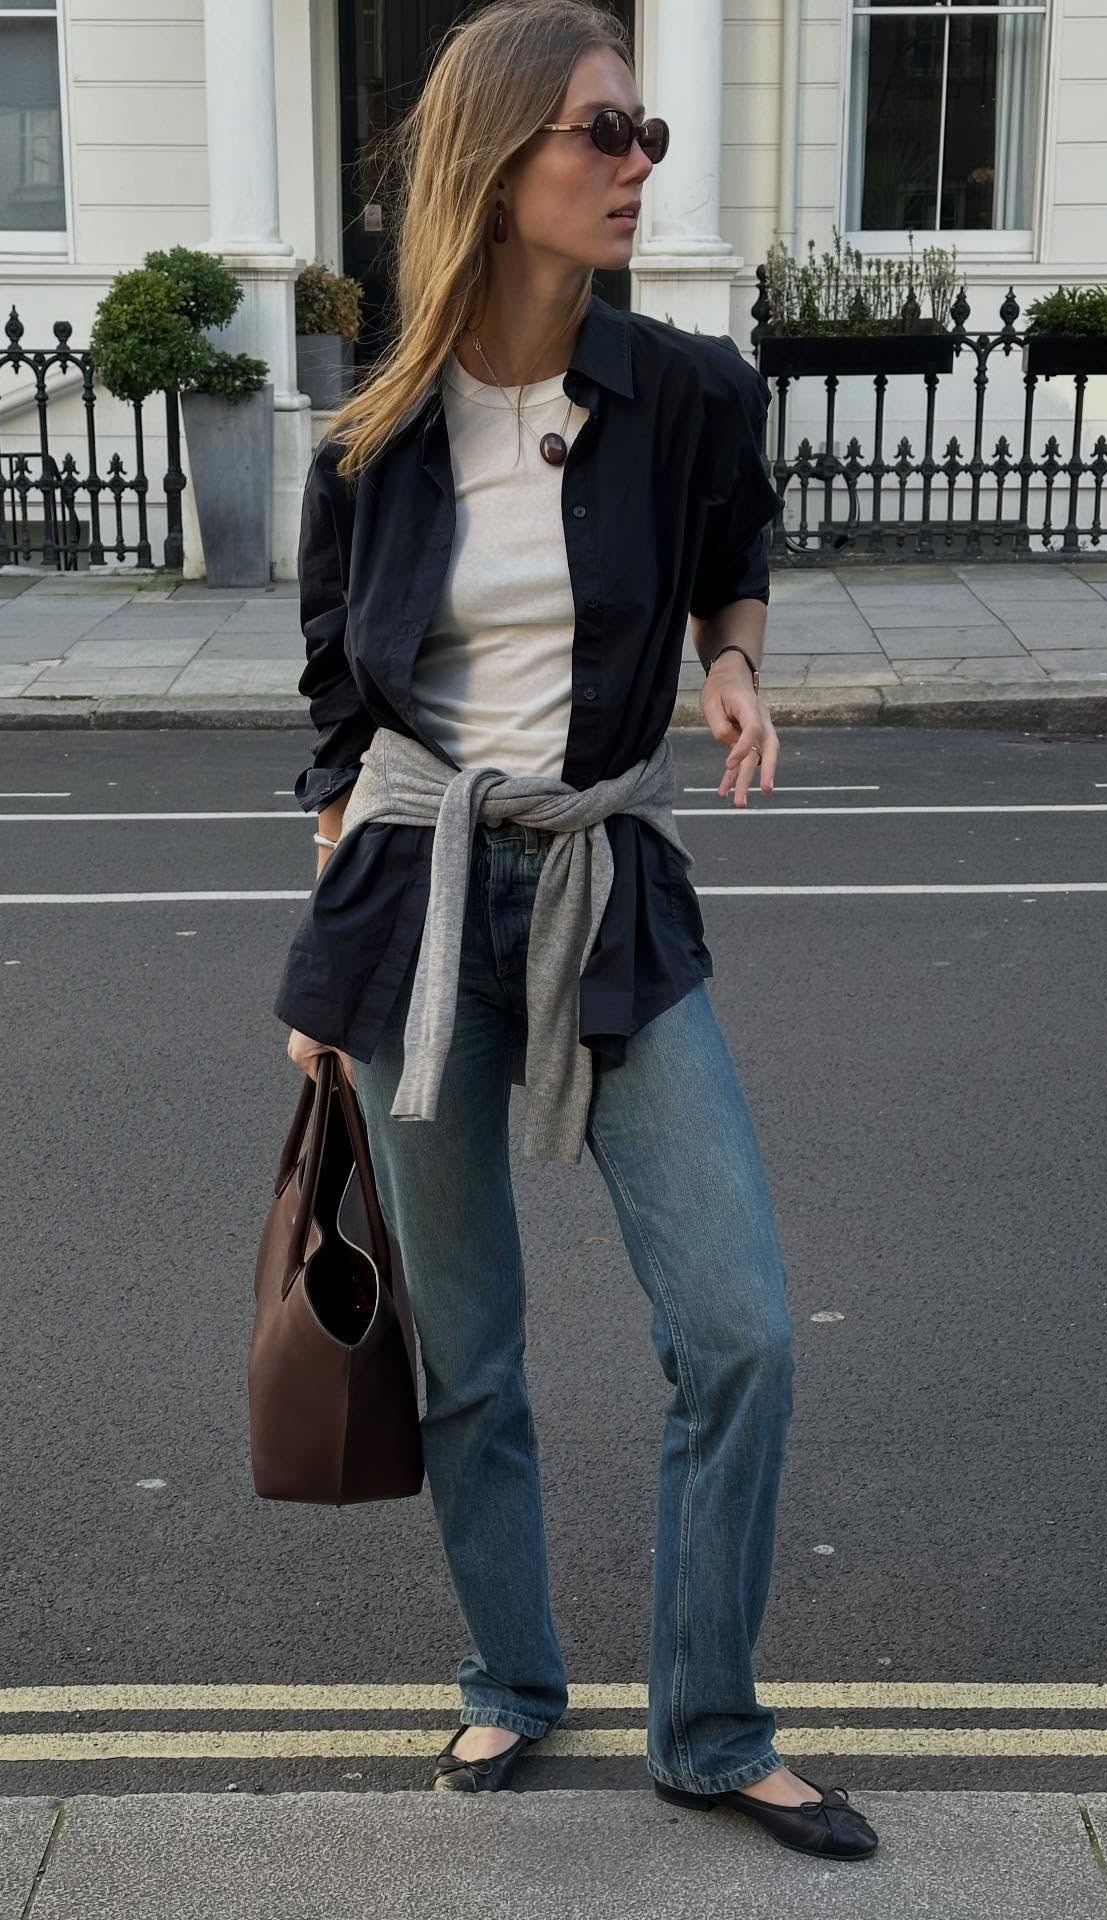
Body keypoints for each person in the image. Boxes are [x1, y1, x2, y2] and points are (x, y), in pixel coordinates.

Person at [276, 0, 878, 1864]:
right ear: (497, 161)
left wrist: (737, 669)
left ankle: (707, 1722)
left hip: (607, 888)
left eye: (646, 135)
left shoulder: (688, 389)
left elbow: (734, 552)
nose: (637, 165)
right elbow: (333, 696)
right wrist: (327, 969)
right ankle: (507, 1682)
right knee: (470, 1347)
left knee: (741, 1326)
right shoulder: (377, 423)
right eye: (603, 134)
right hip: (417, 900)